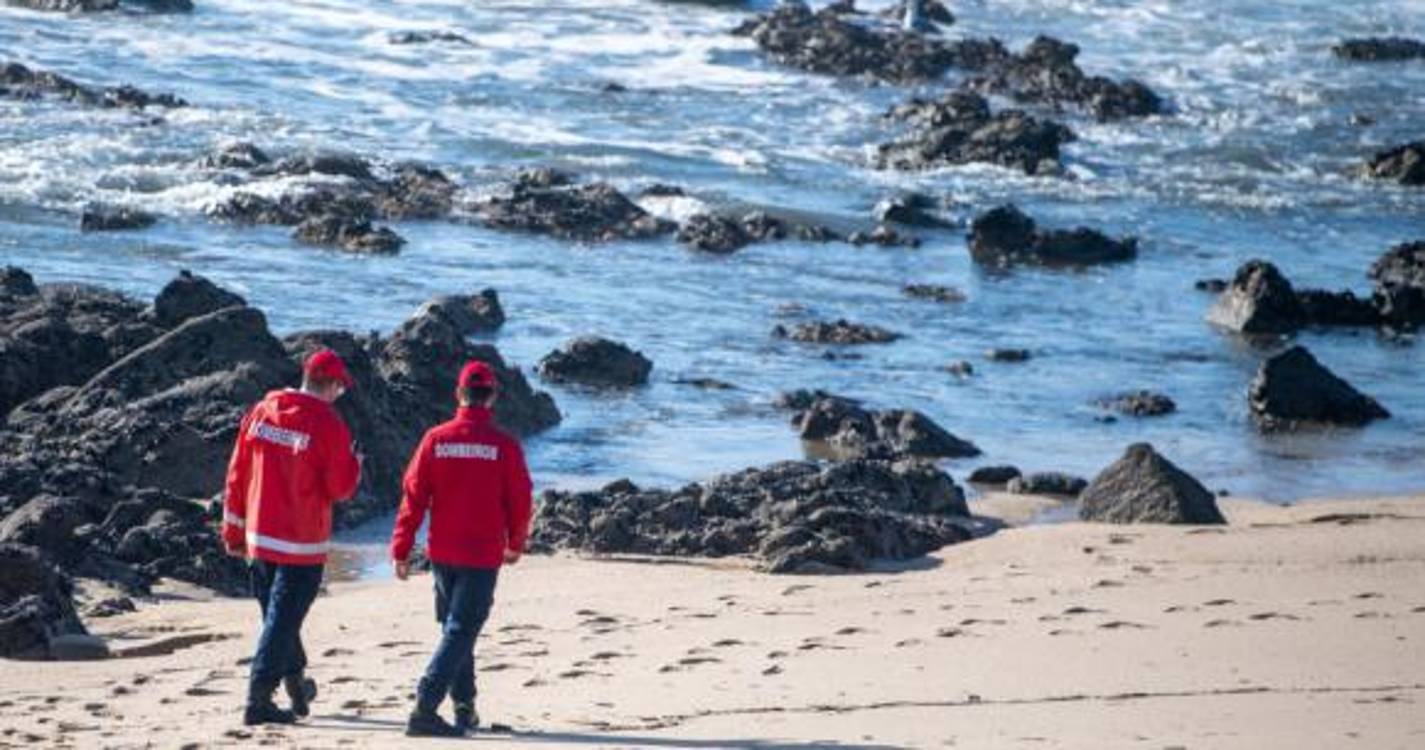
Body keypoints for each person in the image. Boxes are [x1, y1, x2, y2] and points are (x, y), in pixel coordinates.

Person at [390, 360, 533, 737]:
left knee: (456, 629)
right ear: (494, 398)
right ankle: (425, 706)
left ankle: (464, 706)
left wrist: (402, 547)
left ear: (459, 395)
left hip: (443, 553)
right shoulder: (503, 445)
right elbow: (521, 500)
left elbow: (413, 497)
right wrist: (516, 543)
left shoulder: (437, 439)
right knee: (460, 629)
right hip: (481, 554)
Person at [222, 348, 362, 726]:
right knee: (282, 621)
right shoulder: (328, 425)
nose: (339, 394)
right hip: (301, 542)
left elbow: (237, 472)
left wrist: (233, 528)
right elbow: (339, 488)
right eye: (340, 388)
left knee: (278, 618)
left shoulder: (262, 411)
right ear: (331, 385)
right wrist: (355, 465)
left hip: (259, 535)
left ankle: (297, 685)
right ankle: (258, 697)